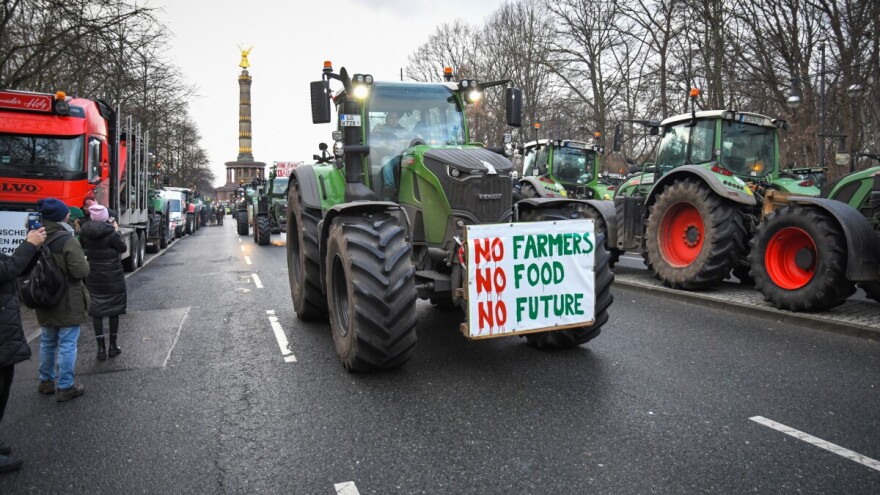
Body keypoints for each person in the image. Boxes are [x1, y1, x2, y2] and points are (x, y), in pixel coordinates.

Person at [34, 198, 90, 403]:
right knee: (67, 343)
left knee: (47, 341)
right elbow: (81, 271)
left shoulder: (34, 237)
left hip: (44, 298)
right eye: (66, 212)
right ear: (61, 217)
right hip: (67, 299)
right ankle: (66, 385)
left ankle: (46, 381)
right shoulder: (66, 239)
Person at [0, 226, 45, 473]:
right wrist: (29, 245)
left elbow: (14, 268)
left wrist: (34, 248)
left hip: (4, 333)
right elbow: (7, 270)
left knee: (4, 390)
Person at [80, 205, 126, 361]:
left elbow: (82, 248)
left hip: (93, 275)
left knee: (97, 311)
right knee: (114, 309)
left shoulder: (84, 233)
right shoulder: (112, 233)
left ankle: (100, 349)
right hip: (112, 275)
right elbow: (123, 248)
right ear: (106, 216)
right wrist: (117, 231)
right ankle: (113, 346)